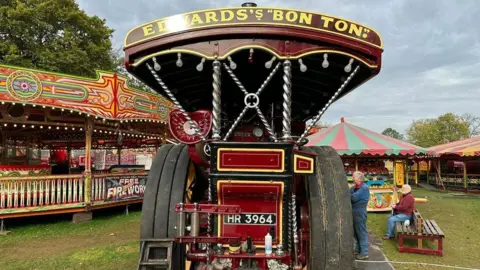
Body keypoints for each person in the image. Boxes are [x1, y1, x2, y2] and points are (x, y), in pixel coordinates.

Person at [350, 171, 370, 260]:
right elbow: (348, 194)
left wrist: (349, 195)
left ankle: (364, 252)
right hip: (354, 212)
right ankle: (358, 250)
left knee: (361, 232)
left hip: (360, 212)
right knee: (356, 233)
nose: (352, 178)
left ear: (359, 178)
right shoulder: (354, 187)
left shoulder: (364, 188)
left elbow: (353, 198)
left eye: (354, 177)